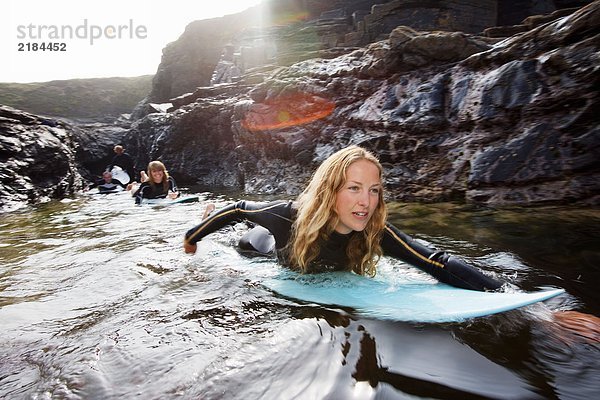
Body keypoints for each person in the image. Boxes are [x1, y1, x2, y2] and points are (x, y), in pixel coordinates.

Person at [184, 145, 500, 291]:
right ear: (330, 191)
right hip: (259, 248)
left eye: (374, 190)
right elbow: (239, 207)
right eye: (354, 188)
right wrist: (193, 237)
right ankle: (208, 214)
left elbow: (435, 261)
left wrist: (513, 297)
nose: (367, 202)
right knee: (244, 229)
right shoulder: (287, 215)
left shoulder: (375, 232)